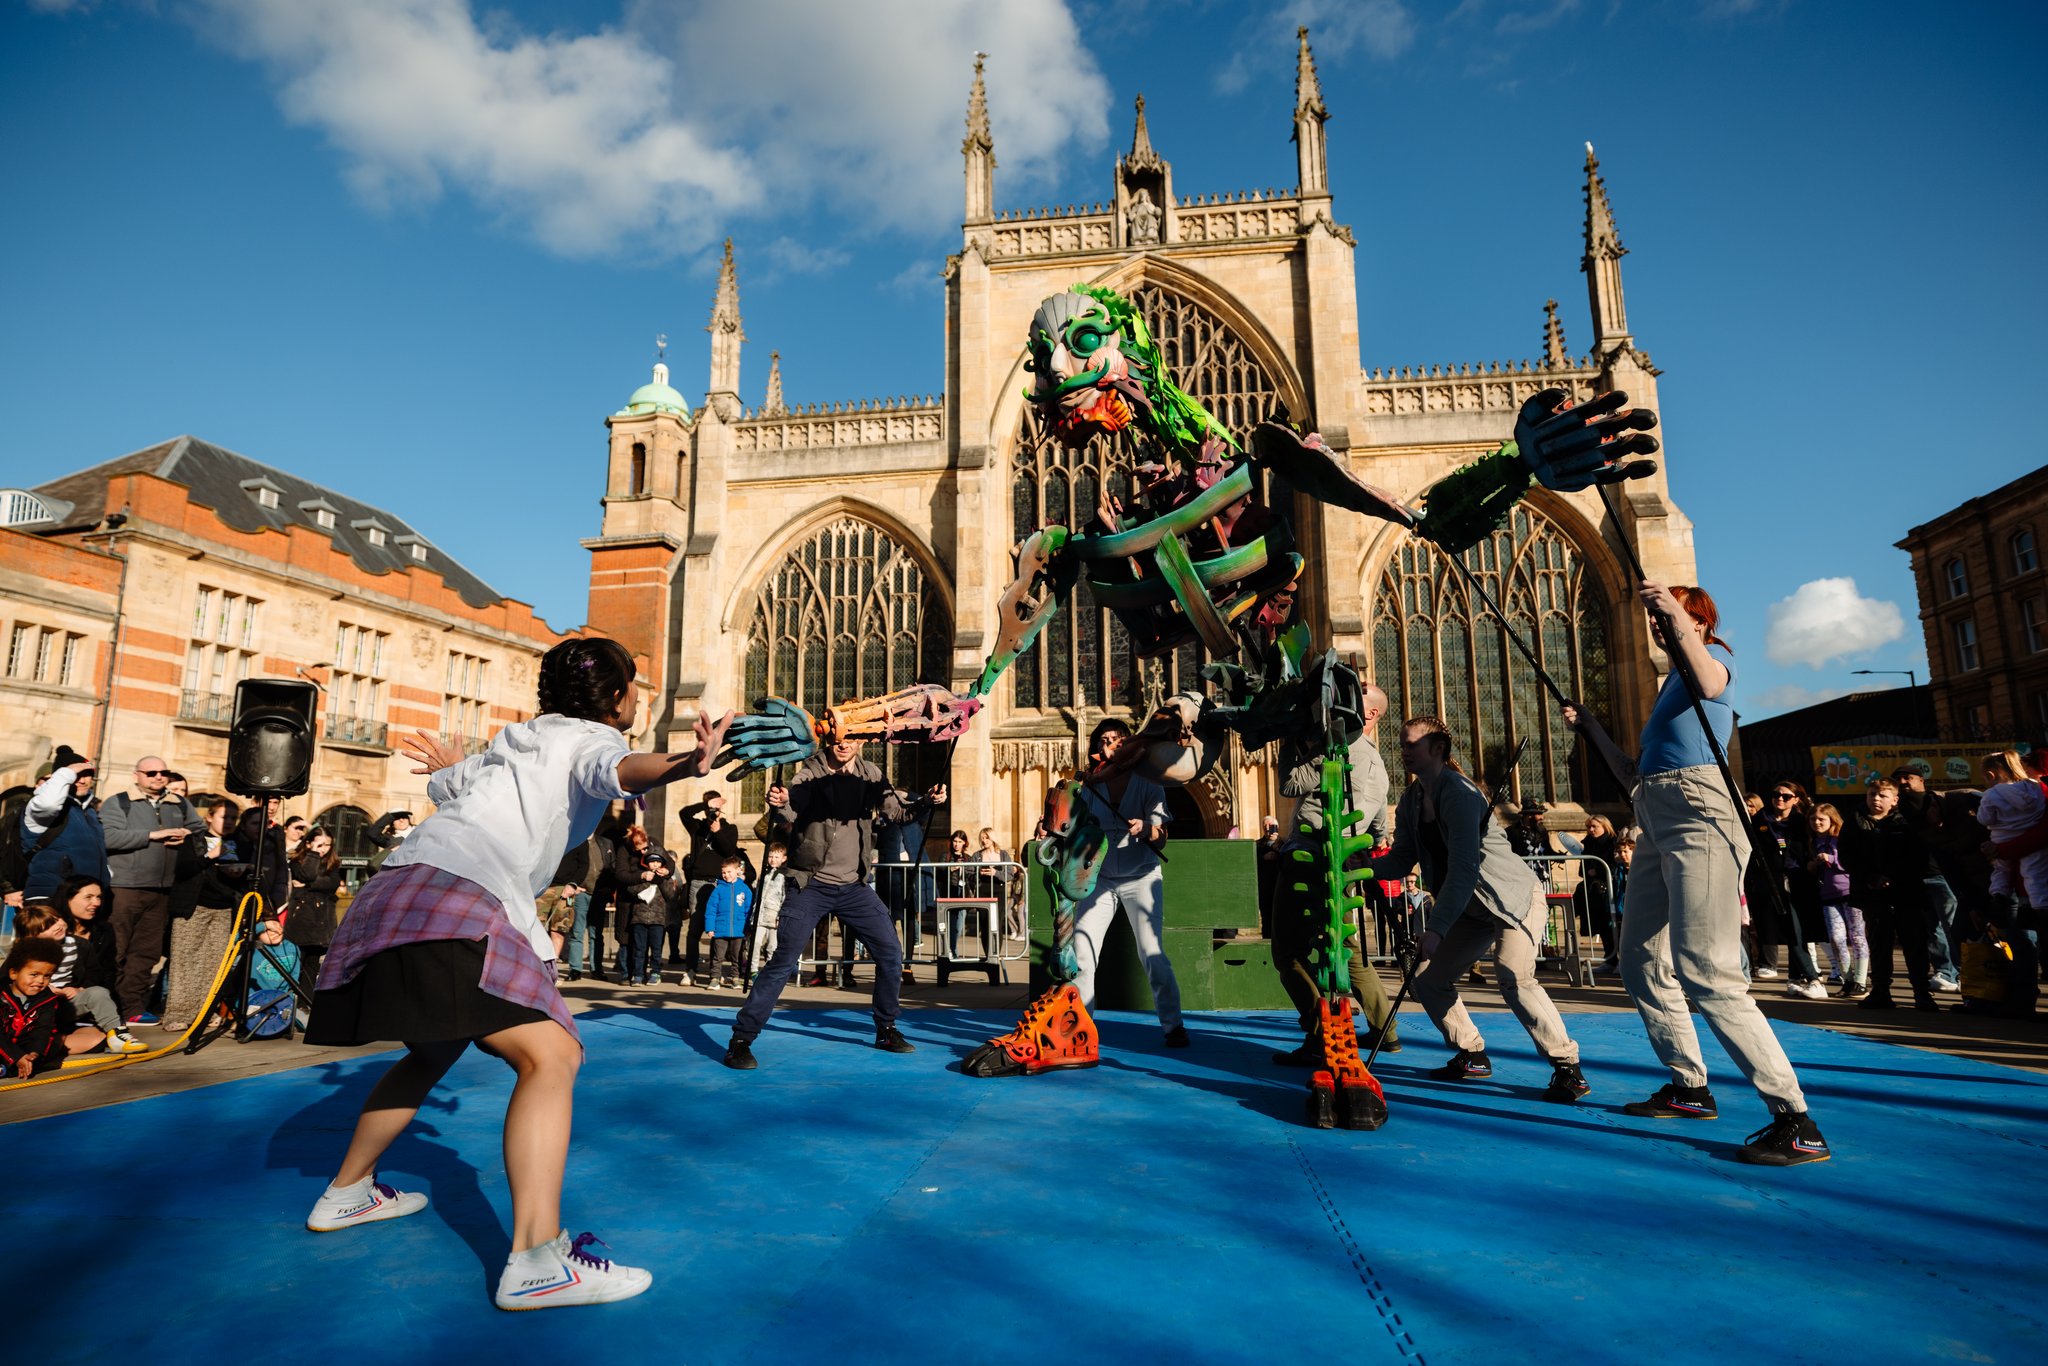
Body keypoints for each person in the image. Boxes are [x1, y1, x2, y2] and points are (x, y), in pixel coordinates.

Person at [301, 636, 729, 1310]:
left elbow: (457, 783)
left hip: (395, 890)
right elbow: (619, 770)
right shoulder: (588, 740)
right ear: (618, 699)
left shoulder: (518, 743)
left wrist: (448, 764)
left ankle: (348, 1191)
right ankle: (537, 1260)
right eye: (633, 690)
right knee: (551, 1055)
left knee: (433, 1046)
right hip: (457, 894)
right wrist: (686, 762)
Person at [1561, 581, 1831, 1166]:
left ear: (1698, 621)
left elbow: (1712, 680)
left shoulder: (1711, 668)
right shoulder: (1666, 688)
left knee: (1707, 971)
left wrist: (1675, 615)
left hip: (1699, 811)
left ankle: (1795, 1119)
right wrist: (1592, 729)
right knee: (1639, 959)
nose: (1657, 627)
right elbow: (1634, 771)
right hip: (1656, 811)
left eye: (1670, 619)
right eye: (1656, 620)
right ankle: (1689, 1087)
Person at [1366, 718, 1589, 1101]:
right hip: (1470, 908)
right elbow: (1403, 859)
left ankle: (1568, 1068)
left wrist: (1435, 928)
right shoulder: (1411, 802)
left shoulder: (1461, 794)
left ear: (1437, 749)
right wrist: (1360, 867)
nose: (1403, 751)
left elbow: (1465, 868)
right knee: (1429, 979)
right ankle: (1471, 1054)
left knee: (1513, 975)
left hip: (1510, 899)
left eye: (1411, 745)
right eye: (1401, 744)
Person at [724, 735, 944, 1069]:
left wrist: (927, 801)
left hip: (854, 887)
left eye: (853, 738)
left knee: (891, 953)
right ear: (829, 739)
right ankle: (741, 1039)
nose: (845, 744)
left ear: (861, 742)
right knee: (783, 960)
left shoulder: (870, 774)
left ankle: (886, 1028)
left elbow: (898, 813)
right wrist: (780, 802)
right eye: (839, 738)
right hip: (809, 884)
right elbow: (791, 809)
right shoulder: (809, 773)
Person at [1271, 684, 1401, 1062]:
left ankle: (1320, 1033)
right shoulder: (1379, 768)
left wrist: (1288, 737)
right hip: (1345, 859)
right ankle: (1385, 1028)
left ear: (1371, 714)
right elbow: (1378, 829)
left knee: (1288, 954)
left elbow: (1289, 783)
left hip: (1308, 857)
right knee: (1344, 947)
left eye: (1358, 692)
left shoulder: (1335, 749)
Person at [1060, 718, 1187, 1046]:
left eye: (1116, 739)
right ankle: (1081, 1028)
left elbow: (1162, 837)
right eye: (1103, 741)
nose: (1109, 745)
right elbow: (1071, 824)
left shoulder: (1148, 781)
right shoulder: (1091, 785)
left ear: (1129, 744)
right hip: (1100, 878)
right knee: (1084, 951)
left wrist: (1147, 829)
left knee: (1151, 952)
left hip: (1141, 876)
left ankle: (1173, 1025)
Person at [100, 755, 207, 1028]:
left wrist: (184, 833)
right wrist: (152, 835)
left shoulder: (178, 802)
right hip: (125, 887)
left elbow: (199, 829)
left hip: (162, 890)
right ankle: (104, 1009)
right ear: (137, 775)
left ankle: (132, 1008)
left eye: (163, 772)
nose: (159, 777)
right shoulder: (119, 802)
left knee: (146, 953)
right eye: (151, 773)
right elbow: (108, 837)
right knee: (116, 949)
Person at [1840, 778, 1938, 1012]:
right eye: (1872, 794)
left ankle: (1921, 992)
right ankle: (1881, 991)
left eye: (1882, 795)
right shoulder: (1855, 821)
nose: (1876, 799)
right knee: (1879, 944)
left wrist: (1893, 876)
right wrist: (1871, 877)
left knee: (1914, 943)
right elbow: (1847, 856)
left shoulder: (1905, 822)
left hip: (1906, 892)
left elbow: (1917, 856)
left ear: (1894, 800)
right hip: (1872, 893)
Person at [26, 893, 145, 1057]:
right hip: (37, 1008)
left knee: (97, 993)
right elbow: (11, 983)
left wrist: (78, 989)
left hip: (66, 1004)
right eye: (47, 927)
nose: (57, 926)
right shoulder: (26, 952)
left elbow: (94, 974)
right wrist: (46, 990)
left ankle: (116, 1034)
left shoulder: (78, 944)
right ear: (33, 936)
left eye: (56, 920)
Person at [161, 796, 243, 1033]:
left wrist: (239, 871)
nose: (228, 822)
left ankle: (204, 1012)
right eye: (223, 816)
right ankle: (177, 1014)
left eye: (232, 818)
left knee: (213, 963)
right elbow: (183, 871)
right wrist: (209, 856)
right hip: (194, 906)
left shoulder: (235, 843)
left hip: (223, 909)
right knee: (186, 961)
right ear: (209, 817)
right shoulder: (195, 840)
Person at [1749, 781, 1827, 998]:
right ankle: (1797, 978)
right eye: (1775, 795)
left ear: (1796, 799)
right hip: (1772, 883)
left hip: (1800, 882)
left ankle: (1812, 979)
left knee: (1797, 932)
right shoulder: (1760, 820)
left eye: (1785, 796)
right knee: (1789, 930)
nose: (1779, 799)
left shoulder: (1803, 822)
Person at [1892, 764, 1962, 994]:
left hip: (1941, 875)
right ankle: (1945, 972)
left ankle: (1962, 972)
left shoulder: (1930, 801)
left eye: (1907, 777)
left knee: (1952, 927)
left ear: (1921, 780)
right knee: (1933, 930)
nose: (1903, 782)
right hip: (1917, 878)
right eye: (1899, 779)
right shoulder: (1897, 810)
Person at [20, 745, 107, 909]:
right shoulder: (40, 806)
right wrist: (67, 772)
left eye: (87, 774)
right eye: (76, 775)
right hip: (50, 897)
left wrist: (106, 875)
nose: (82, 780)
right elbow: (48, 804)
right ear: (62, 776)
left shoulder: (89, 811)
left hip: (85, 900)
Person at [678, 791, 740, 981]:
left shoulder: (730, 829)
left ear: (722, 809)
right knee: (695, 928)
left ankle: (716, 972)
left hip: (719, 884)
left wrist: (717, 831)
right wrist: (705, 805)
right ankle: (690, 970)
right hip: (698, 883)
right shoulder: (697, 828)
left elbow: (730, 851)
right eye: (710, 809)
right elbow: (684, 813)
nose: (713, 812)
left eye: (716, 808)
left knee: (717, 930)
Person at [1807, 803, 1865, 997]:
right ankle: (1847, 979)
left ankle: (1860, 980)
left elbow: (1851, 861)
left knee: (1857, 936)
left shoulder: (1840, 837)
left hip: (1850, 892)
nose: (1817, 823)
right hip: (1828, 895)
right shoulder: (1813, 841)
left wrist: (1831, 859)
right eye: (1813, 819)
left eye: (1821, 819)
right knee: (1836, 938)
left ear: (1832, 819)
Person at [0, 937, 68, 1078]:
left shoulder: (47, 999)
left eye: (47, 976)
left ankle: (14, 1067)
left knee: (51, 1045)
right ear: (14, 973)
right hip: (3, 1046)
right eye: (34, 974)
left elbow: (43, 1030)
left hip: (23, 1047)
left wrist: (34, 1053)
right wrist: (17, 1056)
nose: (40, 981)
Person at [287, 827, 343, 989]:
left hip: (322, 922)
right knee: (296, 962)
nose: (324, 849)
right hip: (301, 919)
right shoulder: (297, 859)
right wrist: (313, 854)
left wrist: (309, 885)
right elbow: (306, 874)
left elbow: (332, 883)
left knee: (312, 965)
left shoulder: (332, 863)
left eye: (327, 845)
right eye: (320, 844)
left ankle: (305, 1003)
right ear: (309, 843)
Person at [701, 856, 753, 990]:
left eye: (729, 872)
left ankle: (735, 978)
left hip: (739, 929)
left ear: (738, 871)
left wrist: (748, 927)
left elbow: (748, 910)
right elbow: (711, 910)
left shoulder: (745, 889)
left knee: (737, 957)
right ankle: (715, 978)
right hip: (720, 929)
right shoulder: (718, 889)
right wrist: (710, 928)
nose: (726, 875)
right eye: (724, 872)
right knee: (718, 956)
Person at [747, 842, 793, 985]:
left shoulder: (785, 876)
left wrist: (781, 915)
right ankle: (753, 970)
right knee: (755, 944)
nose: (773, 859)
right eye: (770, 856)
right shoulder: (764, 873)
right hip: (759, 916)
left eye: (776, 857)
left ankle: (769, 972)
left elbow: (785, 897)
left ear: (783, 858)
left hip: (774, 918)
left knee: (772, 947)